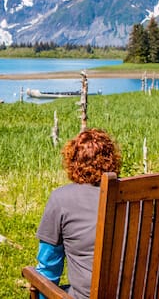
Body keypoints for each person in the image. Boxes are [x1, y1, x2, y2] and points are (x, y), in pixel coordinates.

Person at [34, 128, 122, 299]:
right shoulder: (137, 196)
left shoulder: (61, 199)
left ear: (72, 162)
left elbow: (49, 267)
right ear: (113, 160)